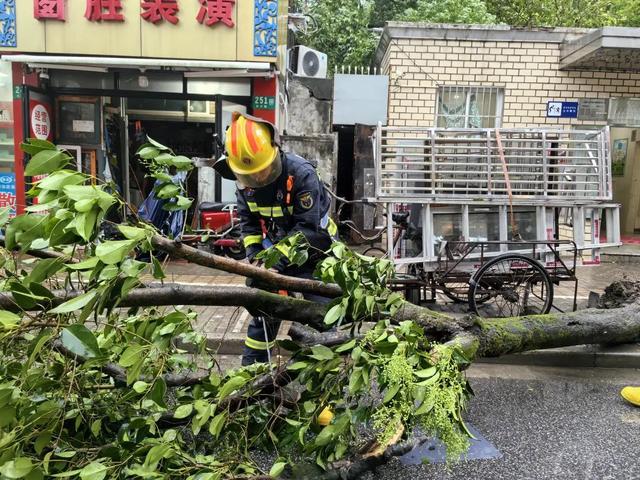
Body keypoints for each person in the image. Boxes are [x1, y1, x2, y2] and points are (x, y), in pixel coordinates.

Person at [223, 112, 338, 366]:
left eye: (262, 171)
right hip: (276, 249)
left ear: (275, 150)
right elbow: (249, 225)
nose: (258, 179)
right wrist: (256, 260)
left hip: (316, 252)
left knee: (323, 316)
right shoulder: (245, 185)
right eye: (251, 174)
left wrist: (275, 264)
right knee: (264, 314)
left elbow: (306, 229)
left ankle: (326, 375)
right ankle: (251, 374)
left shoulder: (302, 175)